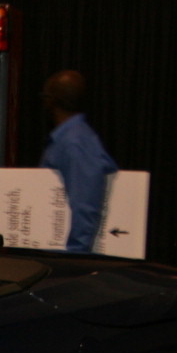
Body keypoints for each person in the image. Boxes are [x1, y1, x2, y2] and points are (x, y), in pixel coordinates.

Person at [39, 69, 117, 253]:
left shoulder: (75, 142)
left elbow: (85, 204)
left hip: (67, 257)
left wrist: (73, 257)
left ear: (51, 100)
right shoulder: (72, 138)